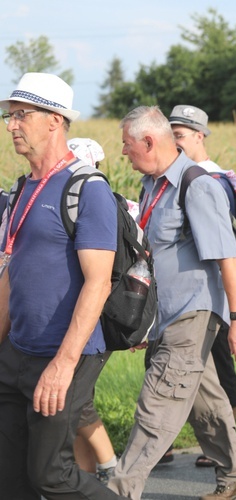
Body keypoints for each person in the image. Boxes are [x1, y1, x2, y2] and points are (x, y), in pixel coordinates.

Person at [108, 106, 236, 500]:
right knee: (204, 400)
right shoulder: (151, 184)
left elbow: (226, 257)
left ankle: (118, 490)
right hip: (167, 313)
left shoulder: (197, 184)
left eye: (126, 144)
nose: (123, 152)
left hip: (193, 313)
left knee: (157, 402)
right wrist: (146, 320)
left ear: (148, 141)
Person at [0, 73, 120, 499]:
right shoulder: (21, 190)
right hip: (16, 352)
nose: (11, 125)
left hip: (63, 354)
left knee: (53, 475)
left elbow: (98, 283)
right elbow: (10, 278)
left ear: (54, 120)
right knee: (9, 478)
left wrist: (63, 365)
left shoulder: (87, 190)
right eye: (9, 116)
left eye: (21, 115)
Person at [168, 104, 236, 468]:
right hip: (186, 297)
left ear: (200, 136)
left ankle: (227, 446)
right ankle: (223, 450)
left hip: (211, 294)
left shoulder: (209, 180)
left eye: (180, 136)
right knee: (205, 371)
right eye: (171, 135)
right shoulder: (179, 175)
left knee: (216, 367)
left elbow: (224, 251)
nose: (175, 143)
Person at [66, 137, 119, 483]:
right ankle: (83, 477)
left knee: (76, 403)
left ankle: (110, 468)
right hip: (78, 322)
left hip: (93, 325)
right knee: (77, 403)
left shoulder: (101, 202)